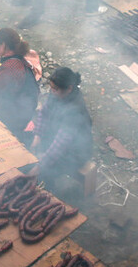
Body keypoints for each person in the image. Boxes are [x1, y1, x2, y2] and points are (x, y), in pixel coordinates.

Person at [31, 67, 93, 201]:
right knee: (31, 146)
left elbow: (61, 144)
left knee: (46, 171)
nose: (52, 91)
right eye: (51, 87)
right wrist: (38, 136)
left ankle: (49, 192)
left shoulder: (75, 110)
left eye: (55, 89)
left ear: (69, 89)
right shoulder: (56, 95)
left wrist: (39, 167)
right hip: (57, 138)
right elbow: (43, 112)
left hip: (76, 152)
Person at [0, 27, 39, 141]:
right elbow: (0, 81)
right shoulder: (16, 60)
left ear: (4, 45)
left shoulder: (11, 66)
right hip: (24, 107)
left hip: (18, 115)